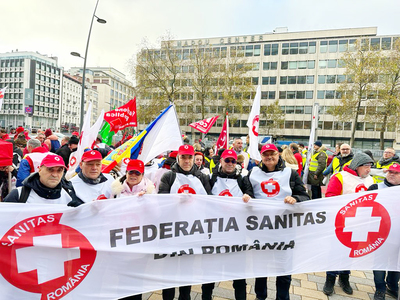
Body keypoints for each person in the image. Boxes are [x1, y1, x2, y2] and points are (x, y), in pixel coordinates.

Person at [245, 143, 310, 300]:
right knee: (261, 268)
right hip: (261, 230)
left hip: (284, 229)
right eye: (265, 154)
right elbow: (247, 190)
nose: (269, 157)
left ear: (278, 154)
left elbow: (305, 196)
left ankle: (282, 297)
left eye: (272, 153)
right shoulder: (252, 173)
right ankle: (261, 296)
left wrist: (295, 198)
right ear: (261, 157)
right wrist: (247, 197)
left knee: (284, 268)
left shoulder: (291, 174)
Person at [159, 144, 211, 300]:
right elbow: (161, 202)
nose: (187, 160)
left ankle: (185, 297)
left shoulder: (202, 177)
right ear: (178, 158)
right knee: (169, 270)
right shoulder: (169, 176)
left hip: (191, 231)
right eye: (183, 157)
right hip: (172, 230)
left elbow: (209, 202)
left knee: (186, 270)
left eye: (189, 157)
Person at [201, 149, 252, 300]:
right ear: (221, 161)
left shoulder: (243, 179)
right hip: (214, 233)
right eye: (227, 160)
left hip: (236, 233)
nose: (230, 164)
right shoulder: (210, 178)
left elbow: (251, 195)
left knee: (239, 275)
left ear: (236, 163)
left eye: (233, 161)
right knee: (209, 273)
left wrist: (248, 196)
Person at [323, 153, 375, 296]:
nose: (369, 170)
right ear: (357, 166)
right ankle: (330, 279)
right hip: (341, 223)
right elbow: (330, 197)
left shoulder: (370, 180)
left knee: (350, 252)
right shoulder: (340, 177)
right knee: (335, 251)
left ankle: (344, 278)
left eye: (370, 166)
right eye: (366, 166)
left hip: (360, 225)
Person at [367, 163, 400, 300]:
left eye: (396, 173)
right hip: (379, 234)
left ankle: (392, 286)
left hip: (397, 234)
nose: (392, 174)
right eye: (390, 172)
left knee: (396, 263)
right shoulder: (375, 188)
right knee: (380, 262)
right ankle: (380, 288)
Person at [4, 154, 82, 206]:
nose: (55, 175)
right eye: (50, 169)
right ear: (40, 170)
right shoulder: (19, 194)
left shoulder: (69, 195)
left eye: (59, 170)